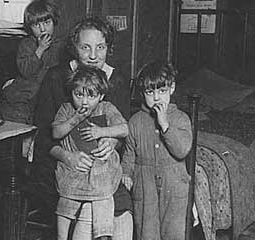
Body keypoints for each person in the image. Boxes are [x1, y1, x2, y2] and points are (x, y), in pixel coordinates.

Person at [34, 17, 133, 240]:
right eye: (85, 47)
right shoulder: (57, 77)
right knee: (89, 204)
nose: (93, 56)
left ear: (109, 48)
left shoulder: (115, 79)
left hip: (101, 164)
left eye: (101, 47)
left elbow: (122, 128)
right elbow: (43, 135)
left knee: (123, 207)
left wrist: (112, 142)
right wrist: (68, 157)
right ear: (74, 48)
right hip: (60, 162)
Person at [52, 65, 128, 240]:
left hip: (101, 170)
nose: (84, 102)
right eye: (79, 94)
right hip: (74, 170)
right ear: (72, 92)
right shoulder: (66, 109)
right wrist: (75, 119)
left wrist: (102, 132)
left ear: (100, 96)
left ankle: (104, 235)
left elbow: (124, 129)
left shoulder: (106, 108)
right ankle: (61, 236)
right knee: (66, 204)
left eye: (91, 95)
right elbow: (56, 133)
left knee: (103, 198)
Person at [121, 61, 193, 240]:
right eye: (149, 92)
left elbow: (182, 150)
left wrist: (165, 126)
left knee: (174, 231)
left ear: (172, 88)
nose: (156, 97)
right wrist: (126, 174)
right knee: (147, 231)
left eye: (162, 91)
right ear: (142, 94)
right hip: (144, 183)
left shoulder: (181, 118)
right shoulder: (135, 121)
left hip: (174, 182)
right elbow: (129, 153)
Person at [0, 0, 61, 124]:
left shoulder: (60, 45)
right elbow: (26, 71)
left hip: (46, 94)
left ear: (54, 22)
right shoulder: (27, 44)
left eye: (47, 23)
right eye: (36, 25)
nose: (42, 28)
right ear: (29, 27)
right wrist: (40, 49)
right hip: (26, 93)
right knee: (16, 118)